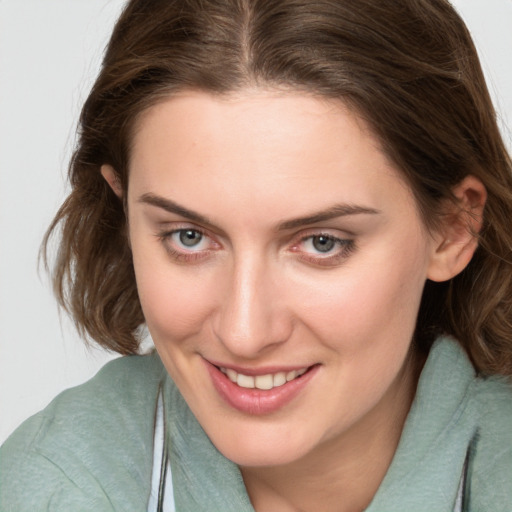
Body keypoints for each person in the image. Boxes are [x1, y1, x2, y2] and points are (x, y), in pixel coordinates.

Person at [1, 0, 511, 510]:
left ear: (451, 228)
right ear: (123, 208)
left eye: (322, 243)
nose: (244, 334)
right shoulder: (53, 487)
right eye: (188, 237)